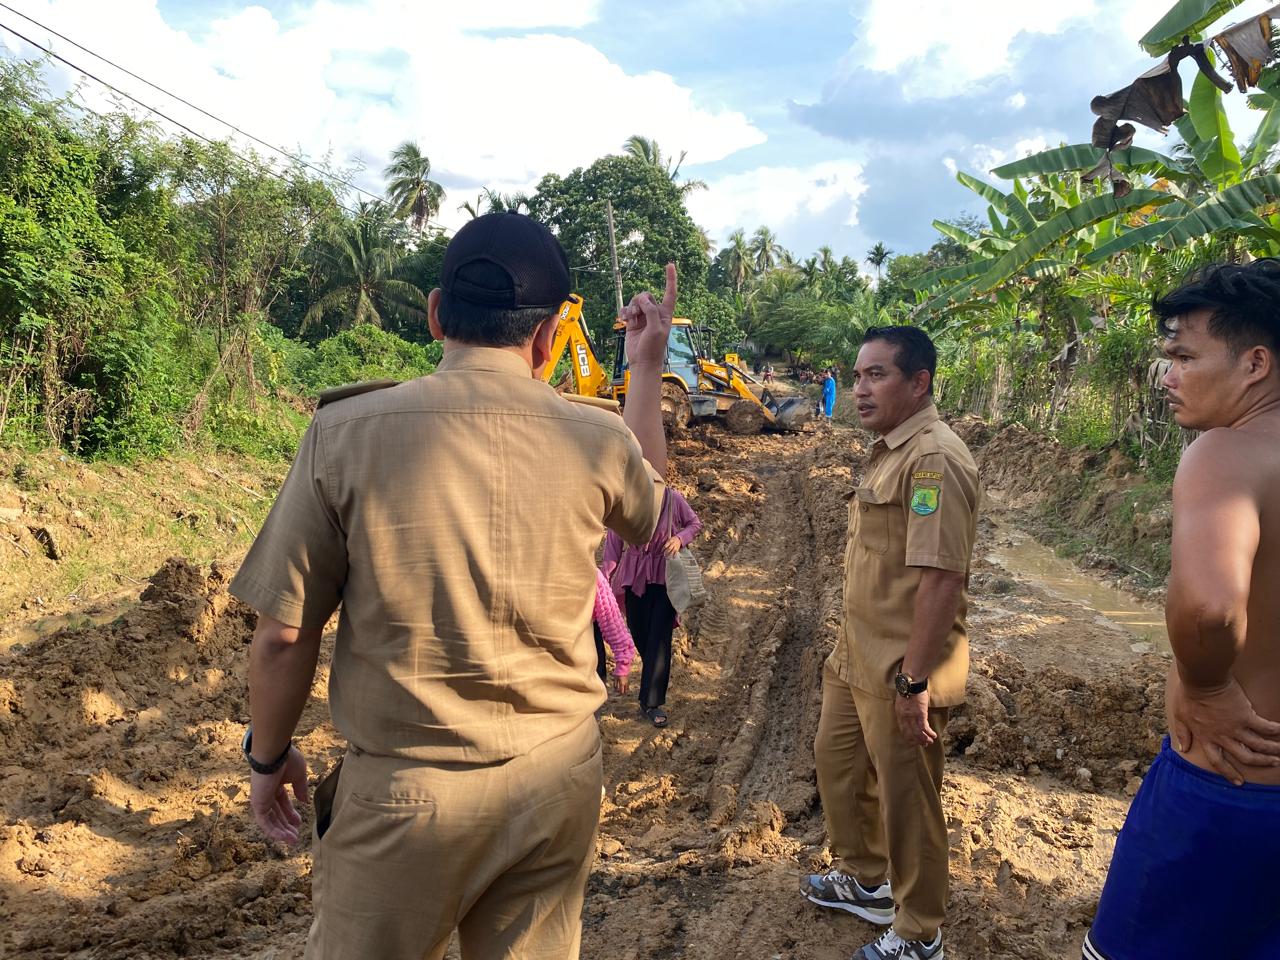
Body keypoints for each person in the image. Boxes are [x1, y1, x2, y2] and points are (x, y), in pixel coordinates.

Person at [230, 211, 679, 960]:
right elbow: (655, 515)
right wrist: (647, 367)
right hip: (555, 781)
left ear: (438, 314)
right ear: (548, 337)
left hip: (406, 800)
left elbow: (283, 637)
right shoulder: (597, 440)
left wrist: (268, 759)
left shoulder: (345, 433)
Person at [1083, 261, 1280, 960]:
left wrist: (1204, 686)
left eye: (1183, 356)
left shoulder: (1226, 454)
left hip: (1232, 794)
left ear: (1255, 363)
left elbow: (1209, 607)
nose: (1166, 375)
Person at [801, 326, 980, 960]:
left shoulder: (933, 458)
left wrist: (914, 681)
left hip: (901, 664)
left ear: (918, 382)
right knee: (838, 761)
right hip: (855, 651)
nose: (859, 388)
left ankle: (919, 927)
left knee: (908, 797)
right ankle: (865, 875)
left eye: (876, 375)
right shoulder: (890, 450)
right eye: (856, 375)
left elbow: (941, 579)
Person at [601, 487, 702, 728]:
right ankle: (654, 671)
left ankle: (651, 702)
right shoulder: (627, 501)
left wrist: (679, 539)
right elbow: (614, 544)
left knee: (659, 639)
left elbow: (695, 524)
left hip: (666, 578)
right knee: (639, 632)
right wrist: (603, 579)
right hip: (634, 577)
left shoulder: (672, 499)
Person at [593, 567, 633, 695]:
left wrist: (623, 663)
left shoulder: (589, 575)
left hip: (587, 667)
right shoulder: (532, 575)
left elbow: (611, 621)